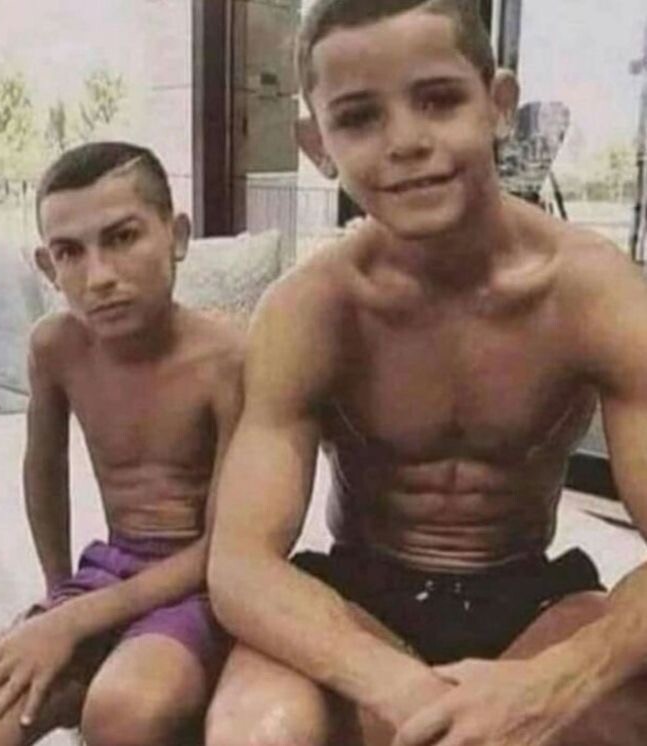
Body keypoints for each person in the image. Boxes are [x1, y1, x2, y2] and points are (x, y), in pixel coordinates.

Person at [205, 1, 647, 745]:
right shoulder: (309, 309)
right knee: (260, 729)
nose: (406, 142)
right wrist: (408, 693)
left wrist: (548, 687)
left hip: (530, 596)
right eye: (358, 117)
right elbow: (240, 566)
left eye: (439, 100)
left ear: (498, 105)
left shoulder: (594, 295)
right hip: (359, 595)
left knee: (620, 713)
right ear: (318, 144)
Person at [0, 142, 244, 746]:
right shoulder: (55, 347)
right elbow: (43, 469)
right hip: (109, 569)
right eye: (69, 252)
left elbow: (228, 547)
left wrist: (74, 620)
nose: (99, 276)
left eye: (123, 237)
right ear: (47, 267)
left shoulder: (227, 359)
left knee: (122, 712)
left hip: (202, 584)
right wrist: (57, 597)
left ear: (177, 236)